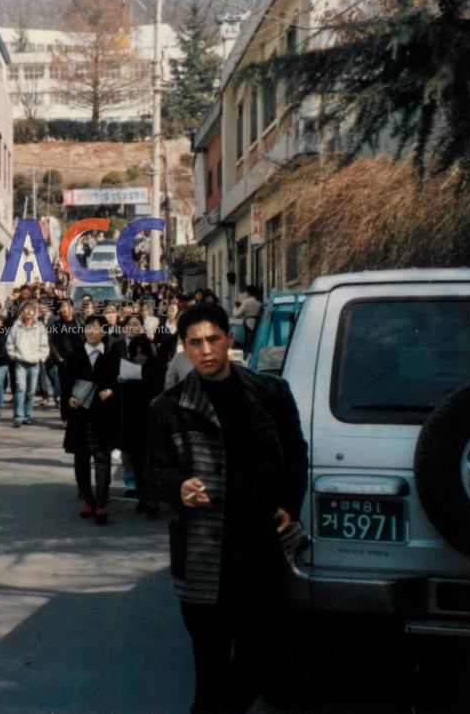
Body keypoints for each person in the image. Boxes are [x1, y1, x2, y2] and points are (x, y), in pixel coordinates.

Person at [146, 303, 307, 713]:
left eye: (213, 339)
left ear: (229, 340)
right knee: (210, 664)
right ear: (184, 348)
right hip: (202, 553)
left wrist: (290, 503)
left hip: (260, 546)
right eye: (195, 342)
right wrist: (178, 486)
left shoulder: (269, 393)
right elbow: (152, 471)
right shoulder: (169, 408)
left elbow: (295, 452)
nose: (206, 350)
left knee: (260, 656)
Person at [60, 314, 121, 525]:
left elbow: (118, 383)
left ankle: (102, 501)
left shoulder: (112, 356)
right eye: (88, 327)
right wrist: (68, 402)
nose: (92, 331)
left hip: (103, 414)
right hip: (80, 413)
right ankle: (87, 497)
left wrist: (112, 391)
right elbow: (65, 384)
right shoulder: (75, 355)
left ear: (104, 332)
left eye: (96, 328)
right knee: (81, 457)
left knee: (102, 457)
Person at [117, 335, 163, 518]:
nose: (139, 358)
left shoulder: (156, 370)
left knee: (153, 464)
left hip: (153, 424)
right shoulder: (126, 371)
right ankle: (143, 498)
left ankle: (153, 500)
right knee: (137, 464)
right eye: (136, 354)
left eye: (143, 354)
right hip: (133, 425)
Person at [6, 300, 50, 428]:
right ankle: (18, 416)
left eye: (31, 309)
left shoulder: (40, 326)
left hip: (34, 363)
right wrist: (13, 355)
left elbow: (44, 344)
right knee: (20, 389)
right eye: (26, 309)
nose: (29, 311)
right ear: (23, 311)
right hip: (20, 362)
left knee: (30, 392)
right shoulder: (17, 326)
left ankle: (28, 415)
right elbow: (10, 343)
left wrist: (42, 357)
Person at [45, 299, 82, 408]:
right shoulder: (56, 324)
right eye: (63, 307)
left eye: (67, 306)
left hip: (78, 360)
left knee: (77, 389)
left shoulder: (79, 322)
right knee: (65, 389)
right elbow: (51, 342)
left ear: (72, 308)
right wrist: (59, 358)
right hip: (63, 360)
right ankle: (65, 417)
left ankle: (76, 416)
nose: (65, 309)